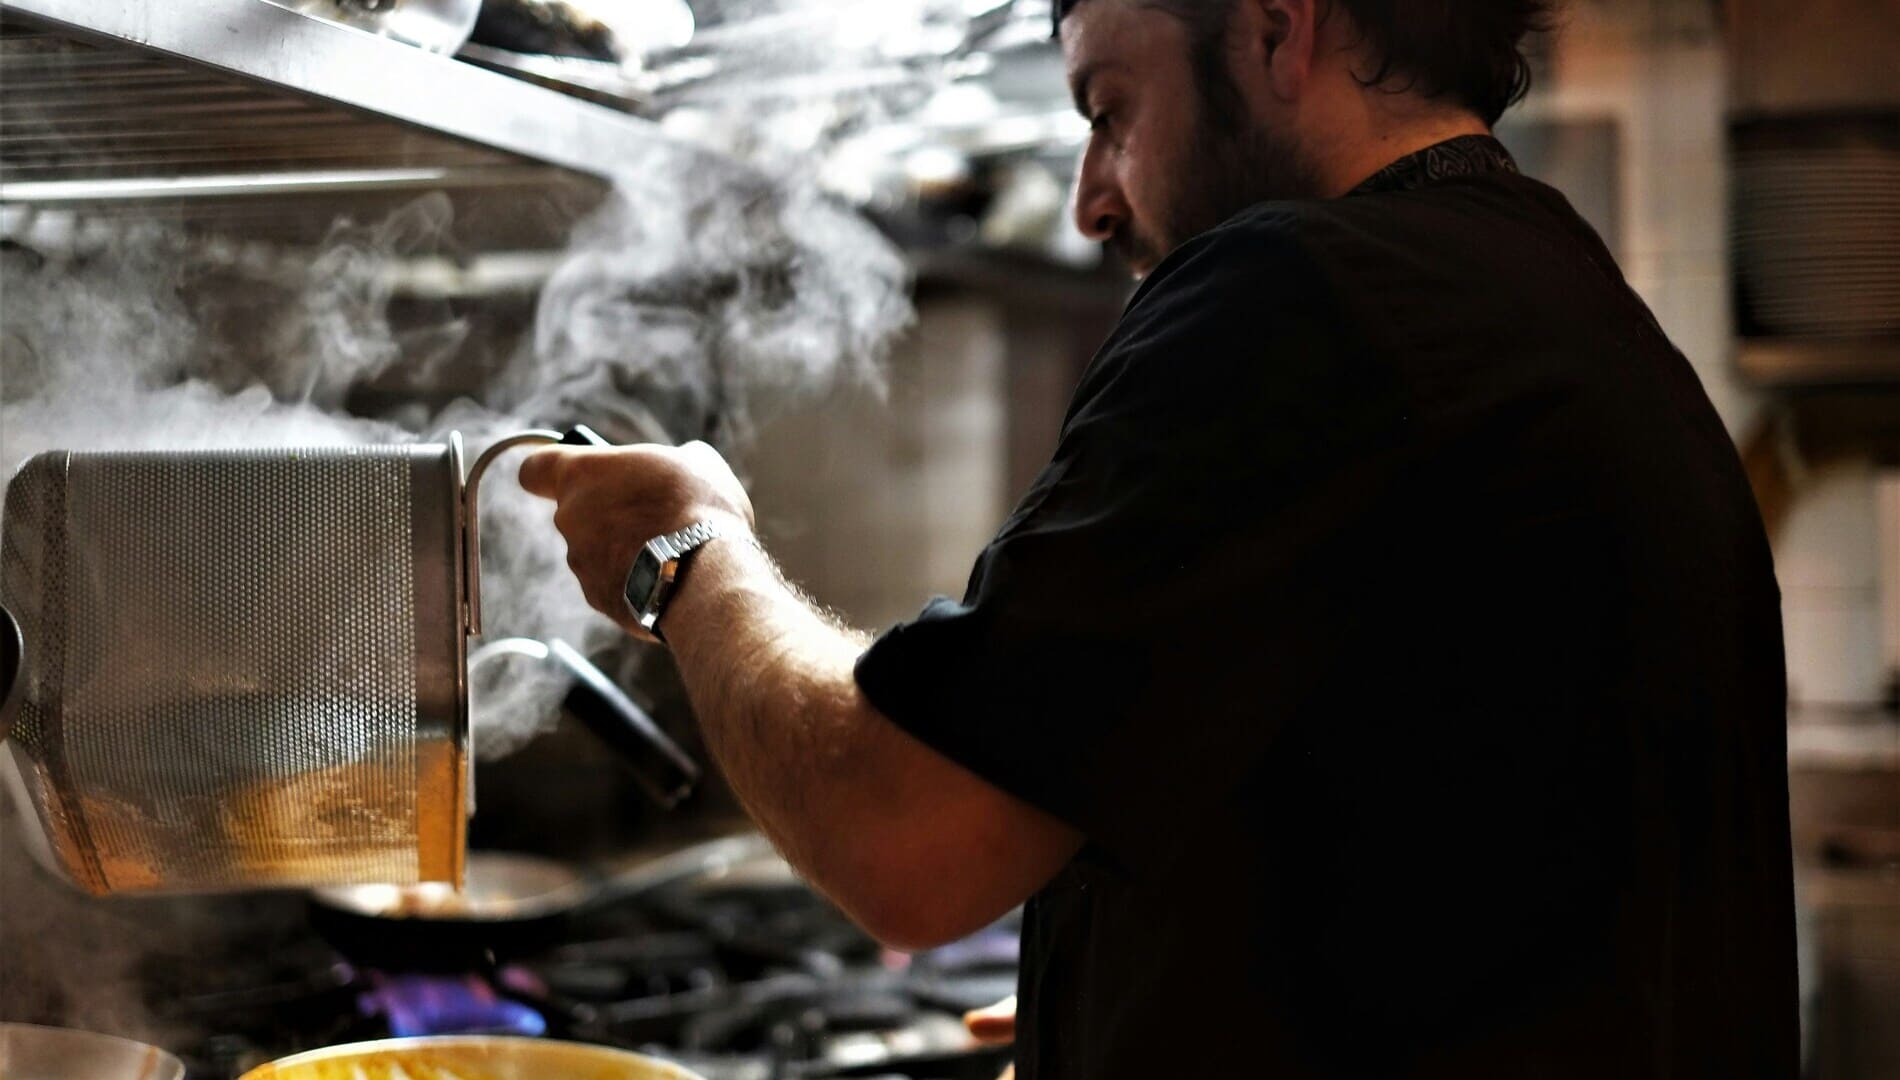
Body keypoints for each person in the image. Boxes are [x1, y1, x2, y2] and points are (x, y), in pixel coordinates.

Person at [518, 0, 1800, 1075]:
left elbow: (905, 840)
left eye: (1107, 111)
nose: (1091, 202)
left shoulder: (1302, 293)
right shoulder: (1565, 311)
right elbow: (1487, 850)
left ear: (1276, 28)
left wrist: (689, 551)